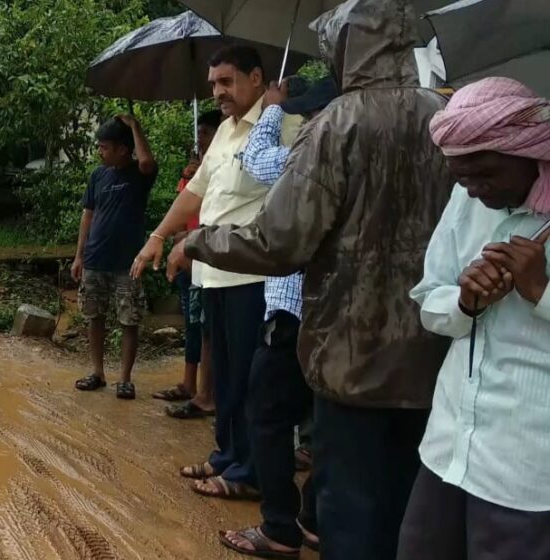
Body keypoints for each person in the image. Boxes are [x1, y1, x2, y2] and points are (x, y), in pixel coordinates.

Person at [162, 1, 455, 558]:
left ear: (347, 49)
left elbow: (280, 241)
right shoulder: (445, 118)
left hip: (350, 357)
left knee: (351, 509)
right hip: (430, 355)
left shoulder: (338, 124)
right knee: (408, 507)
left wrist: (197, 241)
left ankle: (293, 531)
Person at [132, 44, 302, 501]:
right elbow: (197, 194)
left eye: (226, 81)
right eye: (213, 84)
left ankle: (249, 471)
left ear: (256, 79)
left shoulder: (287, 129)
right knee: (224, 375)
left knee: (251, 379)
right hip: (214, 273)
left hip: (255, 275)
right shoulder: (225, 131)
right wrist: (159, 236)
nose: (219, 92)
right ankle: (228, 454)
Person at [399, 77, 550, 560]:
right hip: (449, 444)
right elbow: (429, 298)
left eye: (485, 175)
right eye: (462, 179)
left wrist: (540, 290)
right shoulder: (467, 200)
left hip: (526, 467)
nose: (476, 192)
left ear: (529, 152)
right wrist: (466, 300)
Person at [217, 76, 338, 559]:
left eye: (309, 115)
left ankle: (279, 527)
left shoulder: (307, 160)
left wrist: (271, 107)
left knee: (266, 416)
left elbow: (254, 157)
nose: (304, 122)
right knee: (328, 422)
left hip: (291, 313)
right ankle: (312, 520)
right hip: (335, 317)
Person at [71, 114, 158, 400]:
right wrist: (79, 255)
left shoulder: (138, 174)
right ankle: (97, 372)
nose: (100, 151)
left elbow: (146, 162)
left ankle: (125, 379)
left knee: (128, 319)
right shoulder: (98, 175)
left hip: (127, 263)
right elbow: (88, 214)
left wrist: (135, 126)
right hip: (95, 259)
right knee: (94, 316)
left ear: (123, 148)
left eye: (105, 146)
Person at [154, 109, 222, 421]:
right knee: (193, 324)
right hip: (187, 255)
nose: (200, 139)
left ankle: (207, 392)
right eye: (199, 133)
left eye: (206, 132)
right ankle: (190, 383)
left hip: (208, 256)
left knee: (207, 327)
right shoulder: (195, 170)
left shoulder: (225, 165)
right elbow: (184, 205)